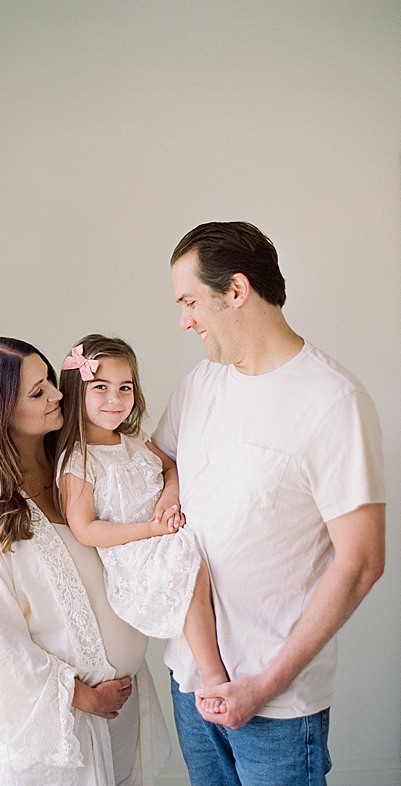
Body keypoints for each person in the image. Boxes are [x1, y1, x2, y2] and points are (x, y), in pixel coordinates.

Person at [152, 221, 385, 785]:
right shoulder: (201, 383)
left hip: (275, 704)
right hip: (191, 679)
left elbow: (361, 563)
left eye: (189, 301)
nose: (184, 320)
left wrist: (265, 685)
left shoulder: (332, 402)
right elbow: (164, 464)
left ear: (235, 290)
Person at [0, 336, 168, 786]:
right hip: (61, 728)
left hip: (123, 706)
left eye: (50, 381)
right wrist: (81, 697)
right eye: (38, 391)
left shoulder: (78, 464)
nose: (59, 395)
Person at [55, 334, 227, 714]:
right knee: (188, 568)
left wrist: (168, 499)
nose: (115, 399)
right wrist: (150, 530)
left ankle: (221, 656)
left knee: (203, 557)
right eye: (100, 388)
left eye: (125, 388)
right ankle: (215, 677)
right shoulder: (80, 460)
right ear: (76, 390)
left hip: (160, 534)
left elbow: (171, 468)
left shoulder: (132, 439)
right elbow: (86, 528)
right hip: (132, 556)